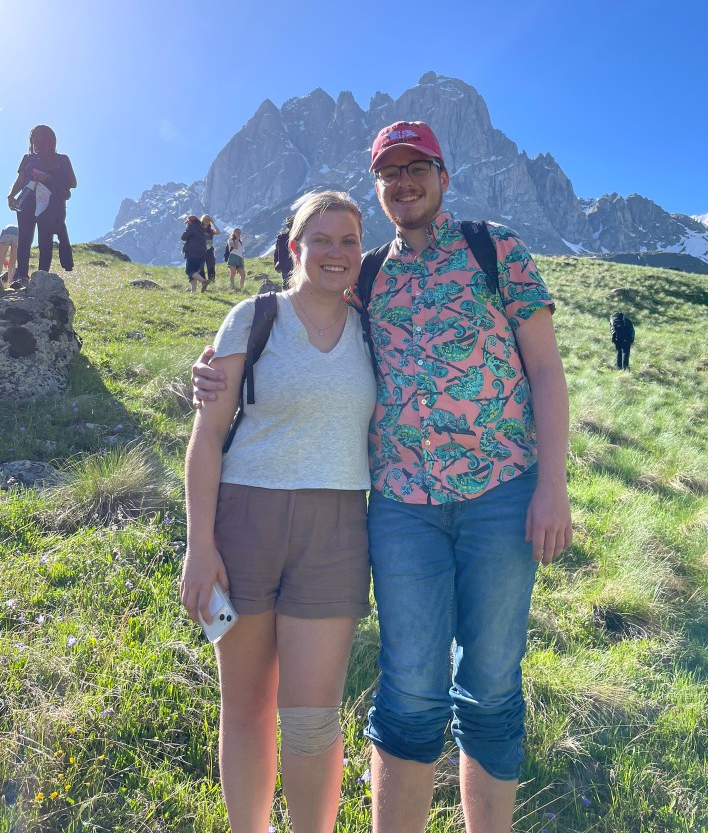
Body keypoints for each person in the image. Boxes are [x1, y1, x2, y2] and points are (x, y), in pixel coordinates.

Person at [193, 121, 573, 833]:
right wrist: (210, 371)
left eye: (417, 167)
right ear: (379, 187)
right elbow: (289, 329)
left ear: (442, 175)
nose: (404, 181)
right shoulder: (367, 276)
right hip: (402, 508)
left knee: (491, 686)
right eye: (389, 172)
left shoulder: (497, 252)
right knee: (409, 690)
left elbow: (547, 370)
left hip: (502, 495)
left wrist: (553, 484)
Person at [180, 190, 376, 833]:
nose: (336, 253)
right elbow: (206, 437)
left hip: (338, 529)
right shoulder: (253, 316)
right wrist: (198, 546)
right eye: (321, 239)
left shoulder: (374, 328)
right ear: (294, 246)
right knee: (246, 707)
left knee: (313, 714)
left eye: (349, 241)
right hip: (243, 524)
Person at [6, 125, 77, 288]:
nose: (35, 140)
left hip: (50, 204)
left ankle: (41, 278)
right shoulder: (27, 159)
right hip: (27, 201)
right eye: (33, 137)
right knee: (24, 238)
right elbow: (21, 179)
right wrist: (11, 196)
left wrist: (50, 177)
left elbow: (73, 183)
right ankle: (21, 276)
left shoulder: (62, 159)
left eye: (39, 136)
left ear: (49, 139)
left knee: (45, 239)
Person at [181, 215, 209, 293]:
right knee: (194, 272)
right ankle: (193, 292)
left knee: (189, 271)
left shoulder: (191, 226)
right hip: (202, 254)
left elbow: (183, 237)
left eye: (188, 222)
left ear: (190, 221)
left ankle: (204, 282)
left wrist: (187, 228)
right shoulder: (202, 228)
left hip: (193, 252)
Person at [273, 215, 295, 289]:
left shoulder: (282, 237)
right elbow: (277, 252)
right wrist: (276, 263)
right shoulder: (281, 237)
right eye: (290, 224)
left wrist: (277, 263)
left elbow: (276, 252)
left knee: (287, 285)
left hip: (288, 265)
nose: (291, 226)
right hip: (288, 265)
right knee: (288, 285)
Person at [201, 215, 221, 283]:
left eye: (208, 219)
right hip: (200, 250)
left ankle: (211, 281)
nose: (206, 221)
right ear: (202, 220)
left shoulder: (211, 230)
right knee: (201, 267)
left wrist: (213, 223)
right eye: (205, 219)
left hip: (209, 250)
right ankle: (203, 282)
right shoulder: (199, 229)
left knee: (211, 266)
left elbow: (218, 232)